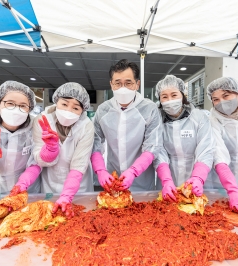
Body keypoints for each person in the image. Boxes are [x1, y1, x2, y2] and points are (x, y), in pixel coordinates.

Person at [91, 59, 162, 191]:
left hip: (142, 182)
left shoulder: (149, 109)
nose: (122, 88)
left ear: (137, 84)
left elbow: (153, 146)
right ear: (111, 84)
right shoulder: (103, 110)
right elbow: (95, 144)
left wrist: (133, 171)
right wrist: (100, 170)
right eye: (117, 83)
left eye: (128, 83)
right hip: (113, 180)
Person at [32, 82, 94, 217]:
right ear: (56, 102)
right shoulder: (42, 121)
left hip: (78, 186)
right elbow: (37, 158)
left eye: (76, 108)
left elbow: (79, 163)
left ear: (82, 111)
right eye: (64, 104)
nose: (68, 111)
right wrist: (49, 151)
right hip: (50, 183)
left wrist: (67, 195)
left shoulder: (86, 126)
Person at [153, 75, 214, 202]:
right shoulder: (157, 121)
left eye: (174, 95)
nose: (169, 100)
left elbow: (205, 149)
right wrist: (166, 180)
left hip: (197, 178)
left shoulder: (199, 118)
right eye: (164, 96)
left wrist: (198, 177)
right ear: (160, 100)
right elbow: (159, 152)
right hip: (169, 177)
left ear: (182, 95)